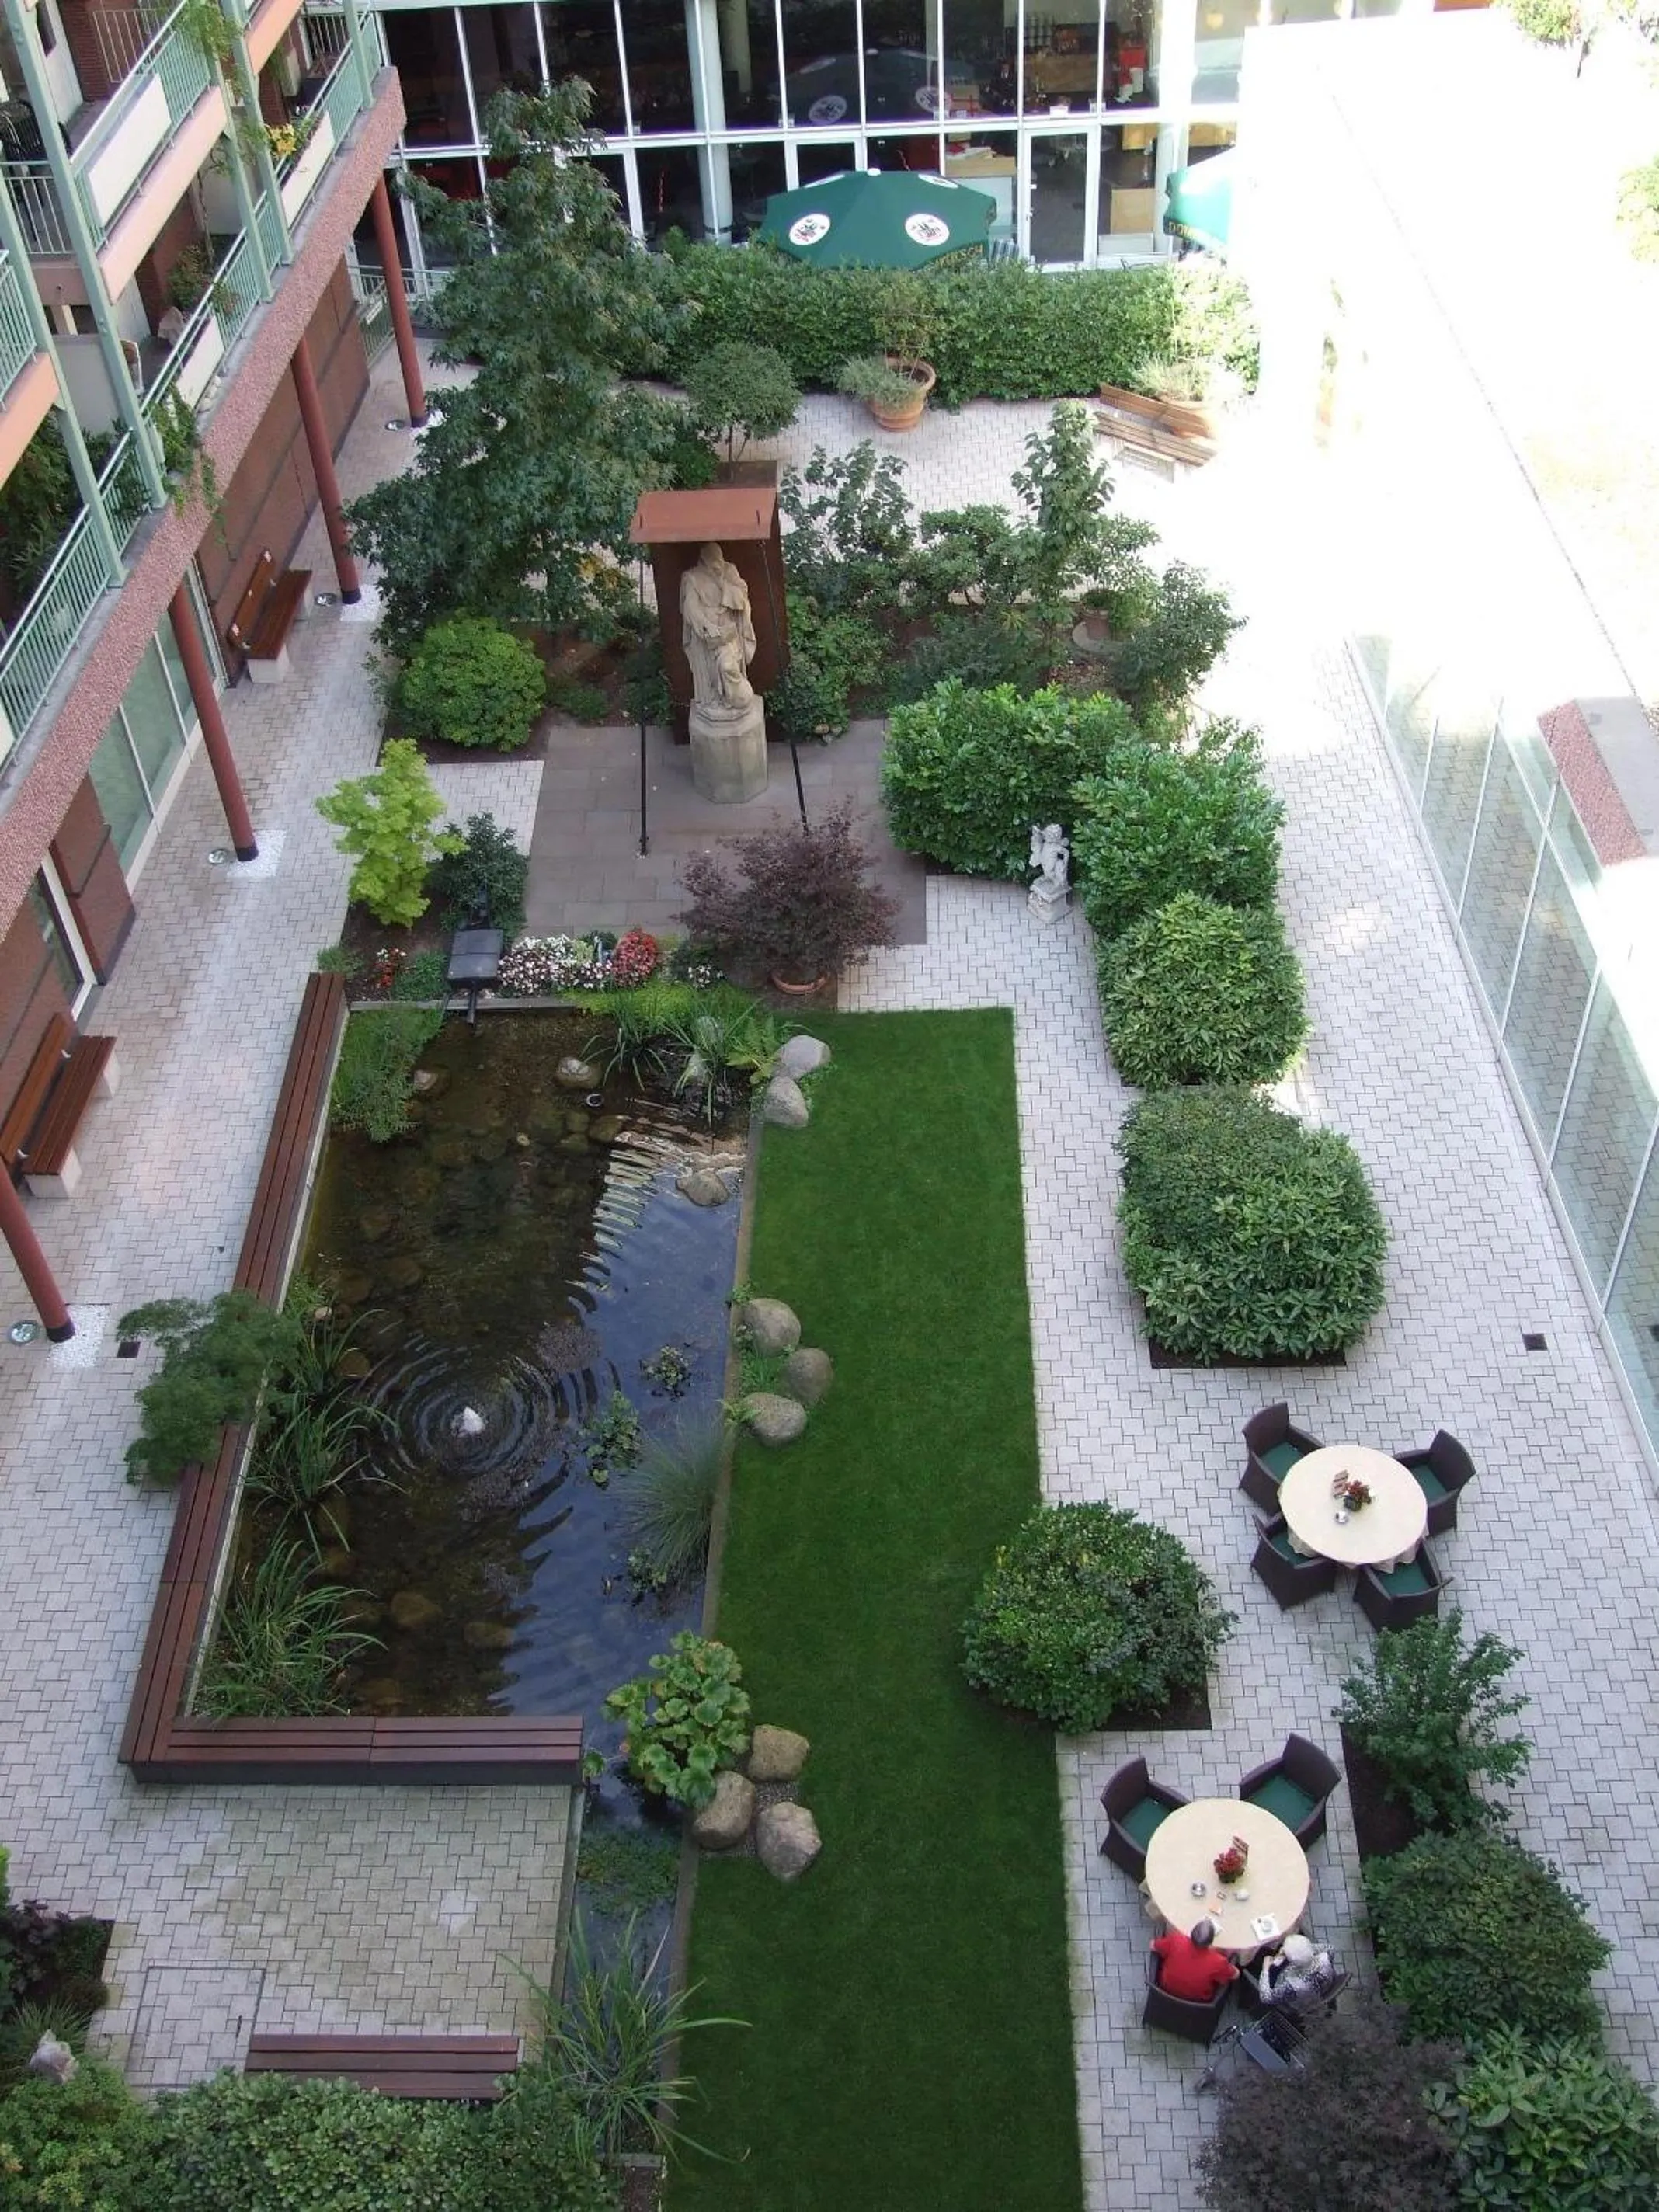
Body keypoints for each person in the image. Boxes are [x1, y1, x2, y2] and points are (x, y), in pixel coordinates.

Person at [1151, 1919, 1239, 2003]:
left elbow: (1153, 1946)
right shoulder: (1219, 1962)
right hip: (1197, 2000)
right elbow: (1236, 1975)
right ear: (1211, 1942)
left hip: (1166, 1989)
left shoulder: (1176, 1940)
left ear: (1192, 1933)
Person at [1254, 1932, 1337, 2013]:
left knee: (1271, 1969)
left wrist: (1265, 1969)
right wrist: (1300, 1950)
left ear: (1293, 1963)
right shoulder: (1327, 1952)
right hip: (1324, 1987)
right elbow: (1319, 1949)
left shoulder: (1291, 1986)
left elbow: (1266, 1998)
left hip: (1301, 2001)